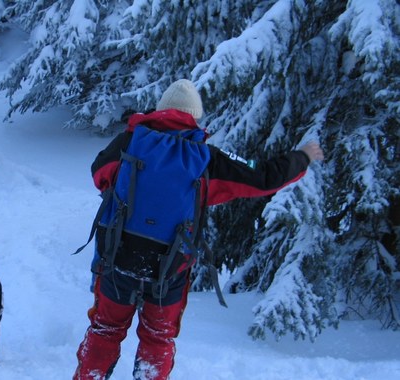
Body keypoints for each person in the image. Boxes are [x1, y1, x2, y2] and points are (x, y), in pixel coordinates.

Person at [73, 79, 324, 380]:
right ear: (193, 117)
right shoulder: (206, 159)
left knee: (106, 329)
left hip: (118, 259)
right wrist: (303, 157)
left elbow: (99, 174)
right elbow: (262, 178)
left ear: (161, 109)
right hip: (171, 268)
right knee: (157, 338)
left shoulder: (129, 142)